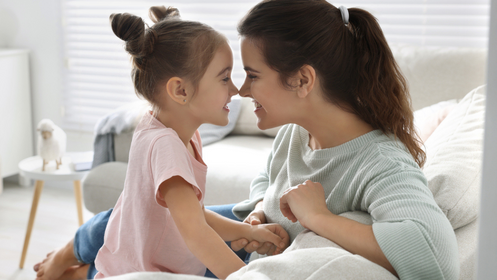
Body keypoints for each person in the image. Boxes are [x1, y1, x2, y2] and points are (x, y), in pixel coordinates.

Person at [35, 0, 460, 279]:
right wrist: (258, 211)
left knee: (148, 223)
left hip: (243, 259)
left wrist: (320, 219)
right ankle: (66, 256)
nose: (241, 90)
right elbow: (267, 183)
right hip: (248, 238)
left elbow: (436, 259)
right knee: (131, 216)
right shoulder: (296, 133)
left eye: (252, 75)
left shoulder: (381, 163)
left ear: (302, 80)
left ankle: (79, 269)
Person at [35, 6, 290, 280]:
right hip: (146, 272)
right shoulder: (166, 146)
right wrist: (246, 277)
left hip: (145, 255)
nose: (235, 89)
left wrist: (248, 231)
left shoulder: (176, 130)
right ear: (180, 91)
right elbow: (196, 233)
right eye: (224, 78)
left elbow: (197, 214)